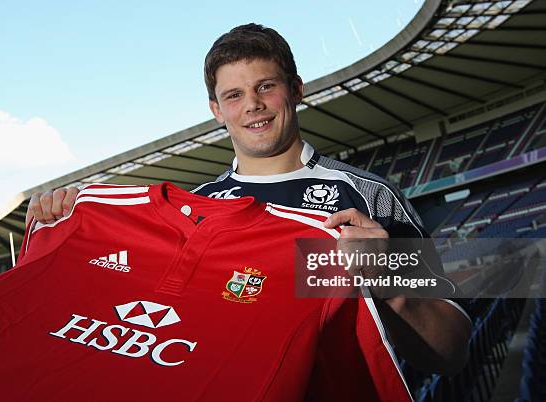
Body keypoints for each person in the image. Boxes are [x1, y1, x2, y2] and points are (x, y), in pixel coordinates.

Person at [26, 23, 471, 376]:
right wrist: (65, 228)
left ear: (296, 89)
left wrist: (386, 286)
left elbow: (451, 351)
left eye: (265, 87)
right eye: (234, 95)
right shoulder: (192, 208)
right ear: (216, 111)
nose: (252, 105)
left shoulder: (370, 197)